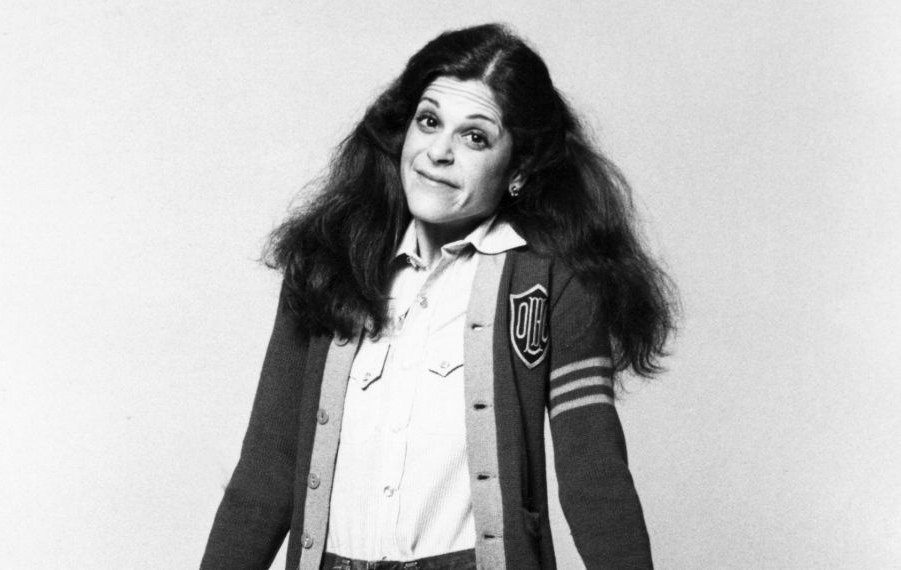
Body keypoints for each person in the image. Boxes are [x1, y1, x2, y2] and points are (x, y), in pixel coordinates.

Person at [201, 23, 676, 570]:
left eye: (475, 137)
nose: (438, 153)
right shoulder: (328, 263)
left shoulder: (552, 283)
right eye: (429, 122)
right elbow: (265, 471)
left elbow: (595, 475)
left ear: (519, 168)